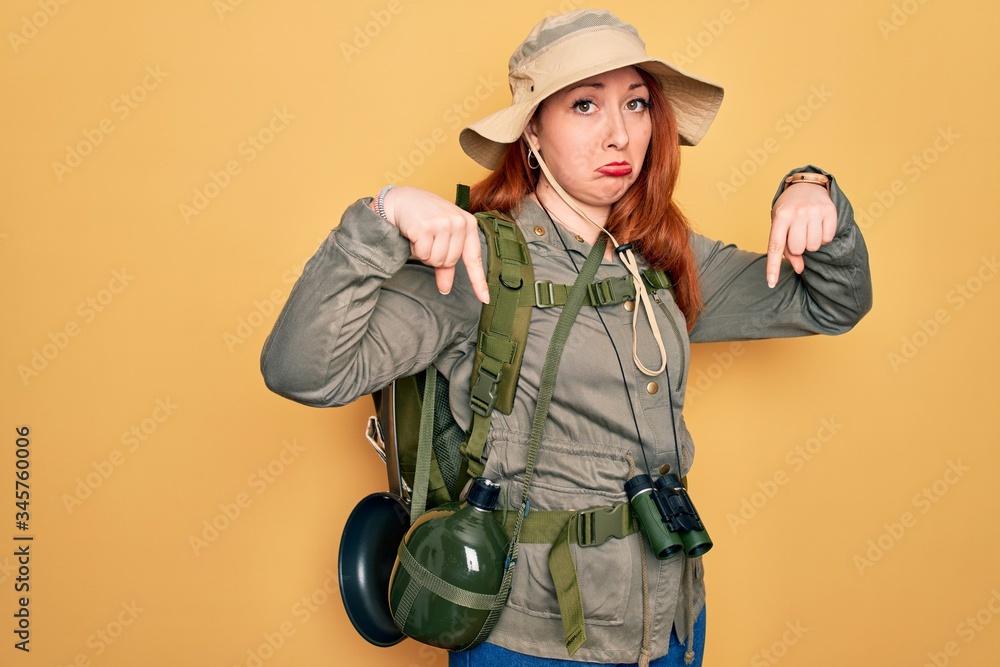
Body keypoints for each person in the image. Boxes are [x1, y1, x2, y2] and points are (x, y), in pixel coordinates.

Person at [260, 8, 872, 667]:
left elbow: (832, 302)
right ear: (532, 135)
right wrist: (380, 218)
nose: (620, 135)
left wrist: (816, 194)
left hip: (669, 625)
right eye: (586, 105)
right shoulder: (481, 262)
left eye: (636, 104)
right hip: (531, 639)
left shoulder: (662, 257)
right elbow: (301, 369)